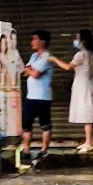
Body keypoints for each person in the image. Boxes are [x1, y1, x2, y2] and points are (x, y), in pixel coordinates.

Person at [51, 28, 93, 153]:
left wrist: (54, 59)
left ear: (83, 41)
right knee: (88, 114)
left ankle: (89, 143)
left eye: (77, 38)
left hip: (83, 86)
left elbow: (67, 67)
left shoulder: (81, 54)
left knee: (87, 115)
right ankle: (89, 140)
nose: (75, 40)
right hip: (90, 84)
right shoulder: (92, 54)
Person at [20, 29, 54, 159]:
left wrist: (29, 69)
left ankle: (44, 150)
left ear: (43, 42)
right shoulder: (34, 56)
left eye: (35, 39)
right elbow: (25, 72)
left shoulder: (47, 57)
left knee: (45, 124)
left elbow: (34, 74)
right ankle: (26, 150)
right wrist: (29, 69)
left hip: (43, 97)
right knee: (26, 123)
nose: (32, 42)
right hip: (31, 96)